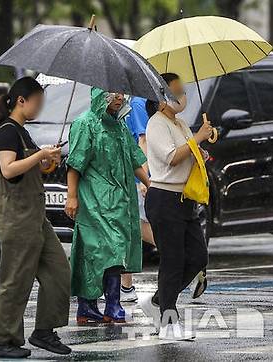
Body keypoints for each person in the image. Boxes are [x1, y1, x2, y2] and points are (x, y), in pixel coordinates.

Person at [0, 76, 72, 359]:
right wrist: (40, 156)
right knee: (16, 281)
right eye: (37, 101)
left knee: (59, 271)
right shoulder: (8, 131)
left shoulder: (22, 132)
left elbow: (26, 169)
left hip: (35, 216)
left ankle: (45, 331)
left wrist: (46, 161)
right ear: (21, 100)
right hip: (15, 216)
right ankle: (3, 340)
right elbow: (9, 169)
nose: (40, 107)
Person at [65, 88, 150, 326]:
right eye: (113, 93)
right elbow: (75, 163)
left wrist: (149, 184)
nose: (120, 98)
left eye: (122, 93)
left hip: (119, 199)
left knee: (116, 249)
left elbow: (134, 159)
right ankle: (95, 305)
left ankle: (106, 305)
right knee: (97, 251)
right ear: (99, 95)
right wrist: (71, 196)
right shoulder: (85, 124)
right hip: (93, 198)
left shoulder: (120, 125)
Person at [139, 73, 211, 340]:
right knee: (172, 260)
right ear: (160, 100)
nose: (183, 96)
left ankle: (158, 300)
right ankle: (169, 322)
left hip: (184, 199)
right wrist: (198, 139)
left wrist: (199, 152)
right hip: (164, 198)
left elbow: (186, 154)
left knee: (197, 257)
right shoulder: (156, 123)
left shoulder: (179, 123)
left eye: (182, 90)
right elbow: (170, 158)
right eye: (176, 91)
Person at [120, 96, 157, 303]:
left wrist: (144, 177)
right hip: (131, 177)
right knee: (131, 229)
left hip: (137, 178)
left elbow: (144, 140)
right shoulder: (135, 102)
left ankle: (182, 256)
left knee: (138, 227)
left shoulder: (135, 104)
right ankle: (126, 287)